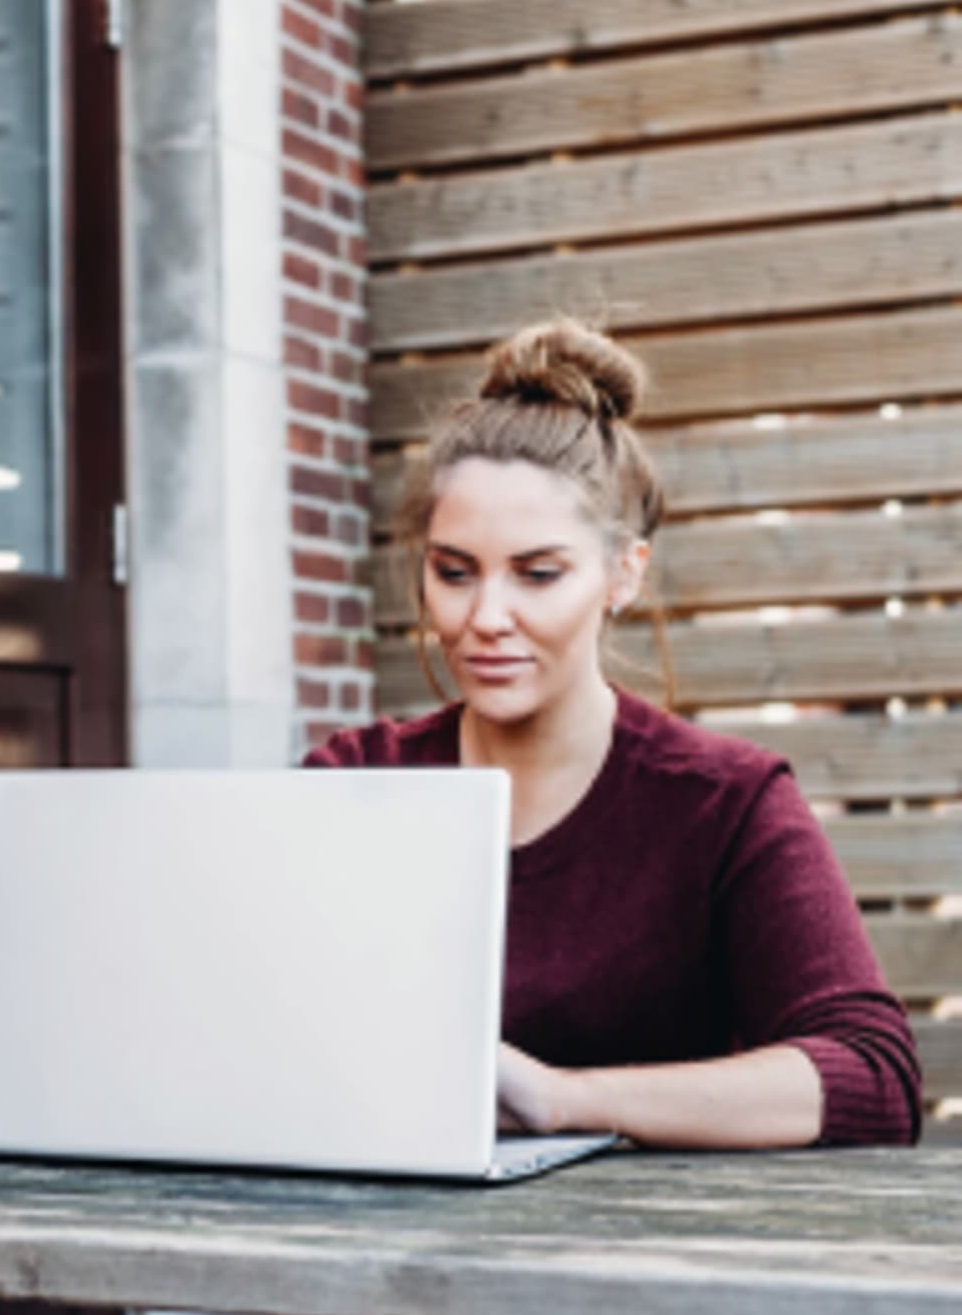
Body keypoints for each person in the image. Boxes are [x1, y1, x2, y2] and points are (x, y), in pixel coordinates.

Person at [305, 318, 921, 1150]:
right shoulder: (353, 780)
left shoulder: (724, 804)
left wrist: (563, 1099)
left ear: (622, 576)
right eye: (454, 573)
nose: (486, 618)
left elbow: (874, 1078)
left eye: (538, 574)